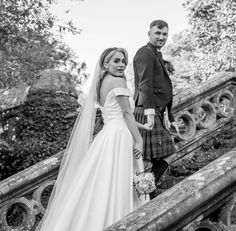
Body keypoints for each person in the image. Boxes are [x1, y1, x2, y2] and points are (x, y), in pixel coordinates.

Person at [37, 47, 150, 231]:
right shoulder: (118, 81)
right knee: (117, 179)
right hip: (120, 137)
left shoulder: (102, 82)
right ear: (106, 63)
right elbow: (127, 114)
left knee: (102, 180)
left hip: (108, 135)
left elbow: (114, 114)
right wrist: (139, 140)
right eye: (117, 61)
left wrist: (142, 126)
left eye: (124, 61)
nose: (121, 64)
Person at [133, 20, 179, 198]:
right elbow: (145, 83)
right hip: (146, 111)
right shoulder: (145, 52)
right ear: (149, 34)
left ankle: (145, 188)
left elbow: (164, 87)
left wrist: (172, 117)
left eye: (164, 34)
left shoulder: (157, 54)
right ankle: (144, 193)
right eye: (157, 33)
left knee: (162, 155)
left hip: (156, 111)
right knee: (146, 160)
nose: (161, 37)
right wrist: (150, 114)